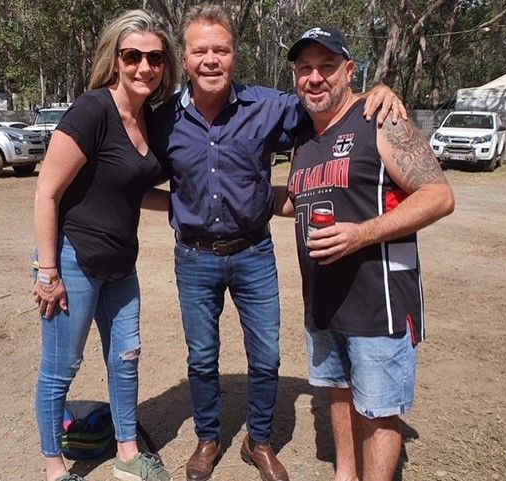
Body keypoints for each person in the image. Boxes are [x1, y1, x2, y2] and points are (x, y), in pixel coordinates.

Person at [148, 4, 406, 481]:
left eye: (221, 49)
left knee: (266, 355)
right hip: (194, 257)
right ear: (185, 59)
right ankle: (208, 438)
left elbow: (331, 102)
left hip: (254, 253)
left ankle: (259, 440)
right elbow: (132, 177)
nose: (211, 59)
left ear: (235, 55)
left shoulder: (270, 107)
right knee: (201, 357)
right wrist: (178, 206)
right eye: (200, 51)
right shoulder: (163, 121)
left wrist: (379, 92)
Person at [273, 27, 455, 481]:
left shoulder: (381, 119)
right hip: (324, 299)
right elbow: (298, 199)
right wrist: (234, 197)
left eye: (327, 66)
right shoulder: (304, 140)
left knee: (378, 410)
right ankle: (345, 473)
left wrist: (362, 234)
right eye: (305, 68)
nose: (315, 77)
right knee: (338, 390)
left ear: (350, 70)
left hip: (380, 303)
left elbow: (438, 196)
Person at [32, 10, 178, 481]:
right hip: (73, 259)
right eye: (133, 56)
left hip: (121, 267)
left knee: (126, 357)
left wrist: (183, 205)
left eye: (154, 58)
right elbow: (47, 191)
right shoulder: (92, 110)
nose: (144, 67)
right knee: (61, 366)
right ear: (115, 60)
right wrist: (47, 271)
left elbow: (132, 189)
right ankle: (55, 468)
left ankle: (128, 455)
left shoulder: (149, 119)